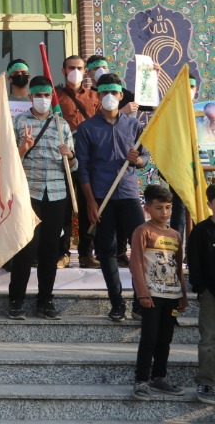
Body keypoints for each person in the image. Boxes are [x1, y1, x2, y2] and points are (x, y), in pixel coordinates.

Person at [76, 73, 149, 322]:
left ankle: (141, 300)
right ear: (97, 96)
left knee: (139, 247)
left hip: (128, 194)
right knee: (106, 251)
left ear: (121, 95)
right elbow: (83, 167)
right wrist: (90, 201)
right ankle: (116, 303)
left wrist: (137, 160)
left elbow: (145, 158)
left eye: (113, 92)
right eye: (104, 92)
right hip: (101, 196)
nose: (109, 97)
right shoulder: (87, 129)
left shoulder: (134, 126)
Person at [7, 76, 77, 321]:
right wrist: (23, 147)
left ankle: (45, 300)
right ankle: (15, 300)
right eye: (38, 95)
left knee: (50, 250)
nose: (43, 100)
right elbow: (7, 163)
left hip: (57, 193)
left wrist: (69, 155)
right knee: (26, 248)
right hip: (28, 192)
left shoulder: (61, 125)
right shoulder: (17, 122)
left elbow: (73, 165)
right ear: (30, 97)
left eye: (47, 96)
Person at [129, 185, 189, 401]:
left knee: (165, 339)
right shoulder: (142, 231)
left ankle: (158, 377)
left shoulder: (175, 234)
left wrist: (182, 295)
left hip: (172, 296)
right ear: (147, 208)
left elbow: (178, 266)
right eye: (159, 208)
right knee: (149, 338)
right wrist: (142, 294)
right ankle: (141, 380)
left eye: (168, 207)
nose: (164, 212)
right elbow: (135, 263)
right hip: (152, 296)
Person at [56, 54, 101, 270]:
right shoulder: (55, 97)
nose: (75, 71)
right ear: (64, 70)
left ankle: (86, 252)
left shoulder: (95, 96)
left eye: (79, 68)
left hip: (88, 159)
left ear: (85, 72)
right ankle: (62, 252)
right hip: (62, 159)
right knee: (63, 206)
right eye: (71, 67)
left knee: (88, 206)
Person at [186, 184, 215, 405]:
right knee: (209, 340)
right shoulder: (201, 230)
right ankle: (206, 381)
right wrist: (201, 287)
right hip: (210, 293)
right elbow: (194, 261)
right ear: (209, 204)